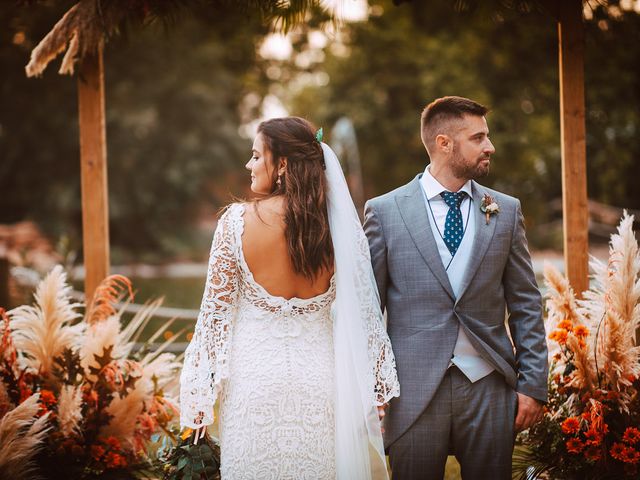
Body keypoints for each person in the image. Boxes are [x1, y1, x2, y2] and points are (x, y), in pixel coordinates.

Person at [180, 117, 400, 479]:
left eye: (255, 156)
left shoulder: (236, 223)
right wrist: (373, 388)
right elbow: (366, 317)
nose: (248, 165)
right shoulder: (338, 230)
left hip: (254, 386)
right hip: (320, 386)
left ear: (282, 163)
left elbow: (213, 321)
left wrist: (199, 405)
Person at [363, 96, 548, 479]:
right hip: (411, 390)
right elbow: (368, 310)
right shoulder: (384, 211)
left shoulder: (506, 210)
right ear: (444, 143)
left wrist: (533, 385)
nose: (489, 146)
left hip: (489, 389)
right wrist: (371, 389)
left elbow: (526, 302)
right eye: (478, 137)